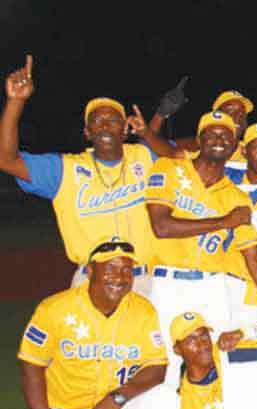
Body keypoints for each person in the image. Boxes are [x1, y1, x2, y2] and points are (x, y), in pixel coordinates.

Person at [17, 237, 193, 409]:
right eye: (109, 269)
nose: (120, 277)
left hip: (117, 406)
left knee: (165, 399)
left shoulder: (142, 309)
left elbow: (157, 367)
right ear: (90, 271)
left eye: (127, 270)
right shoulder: (55, 308)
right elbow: (30, 367)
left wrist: (116, 399)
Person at [145, 111, 257, 389]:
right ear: (199, 139)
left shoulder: (236, 197)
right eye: (212, 133)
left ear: (234, 147)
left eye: (226, 136)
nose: (219, 139)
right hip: (167, 283)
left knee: (221, 362)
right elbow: (161, 226)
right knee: (165, 367)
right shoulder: (168, 169)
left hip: (212, 287)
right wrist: (222, 222)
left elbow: (253, 258)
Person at [0, 55, 180, 295]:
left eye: (113, 119)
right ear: (87, 131)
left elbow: (179, 156)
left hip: (146, 281)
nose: (105, 125)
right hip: (90, 282)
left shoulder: (146, 157)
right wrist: (15, 102)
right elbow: (7, 160)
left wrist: (154, 123)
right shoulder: (65, 169)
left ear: (125, 128)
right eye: (97, 120)